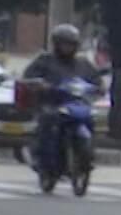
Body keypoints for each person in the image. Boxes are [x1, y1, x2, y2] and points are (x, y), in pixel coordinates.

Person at [23, 24, 103, 177]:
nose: (68, 48)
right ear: (56, 44)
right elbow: (29, 75)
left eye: (71, 44)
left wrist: (99, 87)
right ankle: (40, 157)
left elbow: (95, 79)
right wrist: (40, 84)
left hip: (76, 103)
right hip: (52, 103)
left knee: (90, 119)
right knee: (48, 120)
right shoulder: (45, 60)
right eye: (65, 44)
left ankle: (88, 154)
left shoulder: (83, 63)